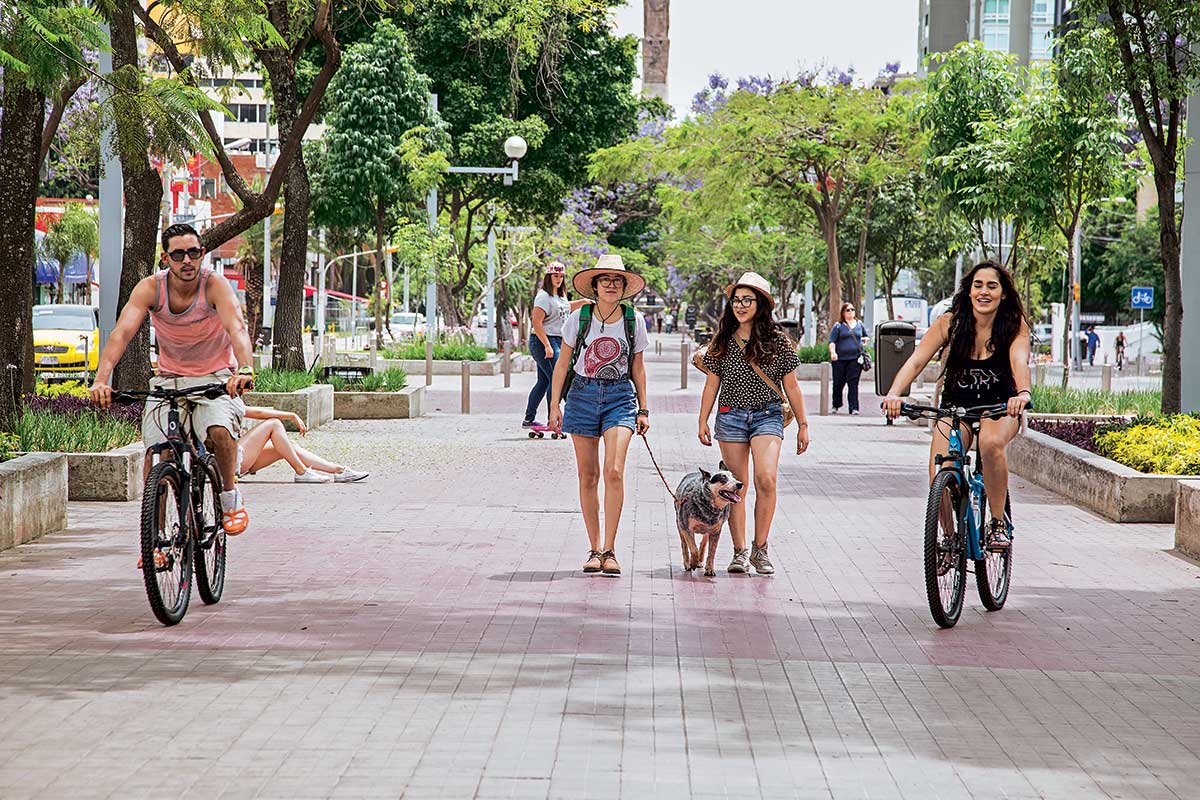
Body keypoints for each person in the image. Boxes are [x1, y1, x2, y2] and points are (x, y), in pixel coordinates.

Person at [90, 222, 255, 536]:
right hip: (169, 381)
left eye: (193, 252)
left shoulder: (214, 285)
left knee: (220, 432)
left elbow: (237, 328)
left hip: (215, 379)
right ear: (165, 258)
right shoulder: (151, 288)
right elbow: (122, 333)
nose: (187, 261)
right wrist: (101, 379)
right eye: (178, 254)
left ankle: (230, 498)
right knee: (159, 452)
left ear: (202, 254)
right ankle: (157, 535)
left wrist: (244, 370)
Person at [882, 260, 1032, 551]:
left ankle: (998, 523)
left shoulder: (1014, 325)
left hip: (1000, 406)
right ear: (969, 291)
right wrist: (894, 394)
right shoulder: (950, 323)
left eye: (992, 286)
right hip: (955, 407)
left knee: (989, 444)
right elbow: (915, 361)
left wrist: (1022, 393)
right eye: (978, 285)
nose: (984, 292)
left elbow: (1019, 361)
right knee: (940, 471)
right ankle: (948, 538)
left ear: (1003, 293)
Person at [697, 272, 810, 574]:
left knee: (766, 479)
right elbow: (711, 384)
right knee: (736, 487)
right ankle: (739, 551)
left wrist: (803, 423)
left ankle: (761, 548)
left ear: (761, 304)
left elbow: (793, 386)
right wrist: (702, 420)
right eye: (736, 300)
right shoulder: (722, 339)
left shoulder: (778, 342)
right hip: (730, 416)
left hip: (767, 415)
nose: (740, 305)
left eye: (747, 300)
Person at [548, 254, 650, 576]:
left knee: (615, 470)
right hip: (582, 395)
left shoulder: (634, 320)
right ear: (594, 286)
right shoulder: (579, 319)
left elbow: (638, 367)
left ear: (623, 287)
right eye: (604, 280)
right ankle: (594, 549)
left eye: (616, 280)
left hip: (620, 396)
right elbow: (562, 364)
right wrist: (554, 406)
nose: (610, 284)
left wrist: (644, 409)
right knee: (588, 475)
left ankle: (610, 549)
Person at [523, 261, 588, 430]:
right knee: (557, 378)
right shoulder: (543, 297)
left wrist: (583, 302)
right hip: (543, 340)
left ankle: (529, 419)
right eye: (555, 276)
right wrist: (547, 346)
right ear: (548, 277)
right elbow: (536, 322)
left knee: (543, 381)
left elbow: (564, 309)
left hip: (557, 339)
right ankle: (553, 419)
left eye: (561, 276)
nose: (558, 279)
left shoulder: (560, 295)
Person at [238, 407, 368, 483]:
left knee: (289, 445)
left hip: (237, 461)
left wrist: (292, 415)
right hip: (230, 463)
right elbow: (257, 413)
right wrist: (291, 416)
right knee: (274, 424)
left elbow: (252, 411)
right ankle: (301, 472)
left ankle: (339, 470)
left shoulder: (227, 395)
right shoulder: (223, 396)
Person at [828, 302, 867, 415]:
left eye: (852, 310)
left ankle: (854, 407)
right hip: (840, 360)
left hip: (855, 359)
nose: (851, 312)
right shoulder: (838, 326)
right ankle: (836, 404)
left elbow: (865, 336)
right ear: (843, 313)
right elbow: (832, 341)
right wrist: (833, 353)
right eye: (848, 310)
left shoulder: (859, 324)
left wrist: (864, 341)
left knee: (853, 383)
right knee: (838, 383)